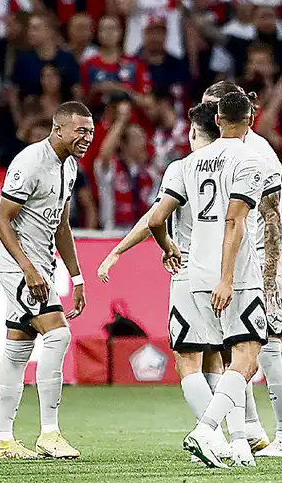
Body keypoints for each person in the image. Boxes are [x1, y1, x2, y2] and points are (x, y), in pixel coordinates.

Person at [96, 101, 231, 459]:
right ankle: (235, 438)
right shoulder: (236, 164)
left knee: (187, 358)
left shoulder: (181, 168)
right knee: (216, 356)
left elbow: (156, 218)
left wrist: (154, 246)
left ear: (193, 132)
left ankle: (213, 437)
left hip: (190, 271)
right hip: (227, 271)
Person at [148, 92, 268, 469]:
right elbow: (235, 220)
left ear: (217, 120)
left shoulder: (188, 163)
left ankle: (239, 445)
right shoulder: (251, 159)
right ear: (250, 120)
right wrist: (228, 278)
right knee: (246, 359)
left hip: (194, 272)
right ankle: (206, 431)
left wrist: (168, 247)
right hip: (234, 275)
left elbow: (156, 219)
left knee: (226, 359)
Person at [0, 101, 93, 461]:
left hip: (42, 266)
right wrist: (29, 269)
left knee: (17, 349)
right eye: (81, 131)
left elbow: (62, 226)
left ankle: (1, 440)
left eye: (91, 132)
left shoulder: (70, 167)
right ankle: (50, 433)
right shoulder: (30, 162)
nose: (87, 138)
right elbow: (1, 221)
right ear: (57, 128)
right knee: (58, 335)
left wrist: (76, 276)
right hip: (18, 265)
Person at [200, 80, 282, 458]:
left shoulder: (259, 154)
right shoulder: (214, 152)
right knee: (233, 351)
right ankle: (252, 430)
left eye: (213, 107)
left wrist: (271, 282)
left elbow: (272, 220)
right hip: (232, 260)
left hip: (260, 261)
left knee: (267, 351)